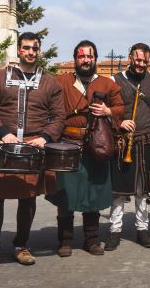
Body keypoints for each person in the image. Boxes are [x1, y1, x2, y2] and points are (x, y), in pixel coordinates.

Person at [0, 32, 65, 273]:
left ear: (39, 51)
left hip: (33, 148)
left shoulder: (50, 83)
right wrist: (3, 133)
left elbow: (59, 116)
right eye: (26, 48)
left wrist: (44, 138)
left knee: (27, 198)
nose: (30, 52)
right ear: (18, 50)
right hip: (4, 145)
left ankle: (21, 246)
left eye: (35, 48)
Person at [46, 40, 124, 257]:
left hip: (96, 146)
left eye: (90, 56)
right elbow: (45, 102)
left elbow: (121, 109)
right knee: (66, 197)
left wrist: (108, 111)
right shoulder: (61, 81)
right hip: (67, 145)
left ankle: (92, 240)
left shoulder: (107, 84)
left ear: (95, 59)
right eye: (82, 56)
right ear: (75, 59)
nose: (86, 60)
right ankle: (65, 241)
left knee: (94, 195)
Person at [106, 43, 150, 251]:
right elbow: (105, 108)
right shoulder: (115, 80)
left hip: (146, 141)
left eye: (145, 61)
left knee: (142, 190)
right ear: (130, 58)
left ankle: (142, 229)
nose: (141, 64)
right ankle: (115, 230)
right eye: (138, 60)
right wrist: (118, 122)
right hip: (123, 142)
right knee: (119, 191)